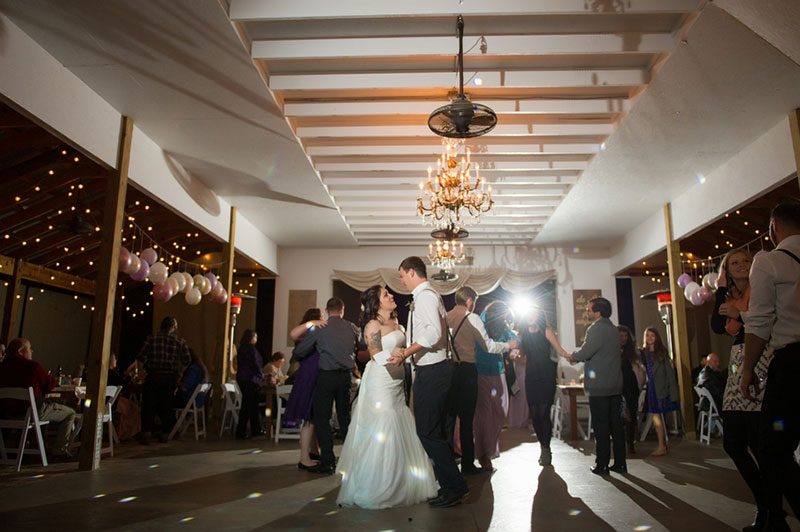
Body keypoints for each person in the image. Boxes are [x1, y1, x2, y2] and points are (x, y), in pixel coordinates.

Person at [336, 285, 437, 508]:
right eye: (386, 294)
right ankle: (377, 485)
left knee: (400, 423)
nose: (392, 296)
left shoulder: (398, 323)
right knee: (383, 427)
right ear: (377, 302)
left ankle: (401, 481)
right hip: (380, 380)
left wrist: (405, 355)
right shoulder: (373, 324)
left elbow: (406, 348)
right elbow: (374, 354)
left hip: (398, 380)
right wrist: (395, 356)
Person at [388, 256, 468, 508]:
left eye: (402, 275)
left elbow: (433, 334)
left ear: (411, 272)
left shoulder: (424, 297)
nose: (401, 280)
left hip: (433, 370)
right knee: (436, 431)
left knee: (426, 431)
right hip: (437, 369)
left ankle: (455, 486)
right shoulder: (429, 296)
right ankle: (449, 486)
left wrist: (405, 352)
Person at [742, 200, 800, 530]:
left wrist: (748, 369)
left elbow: (760, 323)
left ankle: (776, 523)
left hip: (793, 366)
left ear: (774, 224)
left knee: (772, 449)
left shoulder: (770, 262)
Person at [712, 246, 776, 532]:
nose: (740, 265)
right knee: (733, 442)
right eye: (733, 262)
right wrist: (721, 292)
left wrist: (739, 313)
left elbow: (767, 322)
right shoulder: (728, 296)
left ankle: (771, 512)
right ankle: (767, 506)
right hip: (737, 362)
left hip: (761, 356)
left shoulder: (762, 287)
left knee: (759, 443)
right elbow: (716, 324)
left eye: (745, 261)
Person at [547, 297, 626, 475]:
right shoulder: (613, 329)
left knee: (601, 426)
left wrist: (571, 356)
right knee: (616, 426)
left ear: (598, 312)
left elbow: (586, 352)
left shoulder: (596, 329)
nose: (587, 313)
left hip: (600, 387)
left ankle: (602, 464)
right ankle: (620, 463)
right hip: (615, 385)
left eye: (589, 310)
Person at [445, 286, 515, 474]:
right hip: (468, 370)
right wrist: (509, 345)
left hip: (450, 370)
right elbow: (489, 346)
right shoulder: (472, 317)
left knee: (452, 418)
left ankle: (449, 460)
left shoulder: (446, 316)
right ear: (469, 300)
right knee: (468, 419)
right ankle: (468, 464)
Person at [293, 297, 359, 475]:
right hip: (345, 378)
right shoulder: (352, 328)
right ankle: (349, 461)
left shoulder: (321, 328)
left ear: (327, 311)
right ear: (342, 310)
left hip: (326, 377)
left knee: (323, 419)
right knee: (345, 418)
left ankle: (328, 462)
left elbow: (299, 351)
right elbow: (360, 348)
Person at [0, 338, 77, 458]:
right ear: (20, 351)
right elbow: (49, 385)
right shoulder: (32, 366)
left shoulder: (2, 367)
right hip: (32, 412)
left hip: (6, 413)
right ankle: (59, 450)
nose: (32, 351)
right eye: (29, 348)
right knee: (70, 413)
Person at [473, 301, 517, 472]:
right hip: (481, 372)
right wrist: (509, 347)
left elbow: (514, 341)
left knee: (500, 412)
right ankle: (484, 455)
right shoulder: (480, 324)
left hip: (498, 372)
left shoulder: (502, 328)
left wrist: (514, 350)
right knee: (483, 416)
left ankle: (488, 450)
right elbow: (492, 346)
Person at [137, 316, 191, 444]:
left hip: (153, 375)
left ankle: (146, 434)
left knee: (149, 405)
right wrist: (180, 373)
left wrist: (141, 372)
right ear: (172, 326)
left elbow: (140, 356)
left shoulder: (152, 339)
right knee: (166, 405)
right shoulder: (179, 341)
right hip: (169, 377)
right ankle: (165, 433)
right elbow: (187, 360)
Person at [284, 308, 326, 470]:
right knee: (309, 418)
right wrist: (313, 323)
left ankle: (313, 451)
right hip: (309, 376)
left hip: (314, 375)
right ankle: (303, 458)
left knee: (313, 416)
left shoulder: (316, 333)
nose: (324, 320)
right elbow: (293, 334)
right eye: (321, 317)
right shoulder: (308, 330)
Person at [521, 311, 558, 466]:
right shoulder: (523, 333)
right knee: (535, 414)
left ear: (539, 317)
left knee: (543, 412)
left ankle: (546, 448)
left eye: (534, 313)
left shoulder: (547, 331)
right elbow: (523, 357)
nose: (530, 315)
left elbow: (558, 349)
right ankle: (542, 445)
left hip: (547, 374)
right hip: (531, 376)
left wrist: (571, 355)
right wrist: (516, 354)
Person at [639, 327, 678, 457]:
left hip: (660, 389)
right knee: (656, 417)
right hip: (651, 389)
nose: (649, 338)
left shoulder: (662, 353)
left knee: (658, 417)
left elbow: (670, 374)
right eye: (647, 335)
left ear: (657, 337)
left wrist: (673, 394)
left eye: (652, 335)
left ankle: (662, 445)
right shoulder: (643, 353)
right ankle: (662, 444)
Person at [618, 325, 645, 455]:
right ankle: (620, 442)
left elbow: (638, 370)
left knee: (631, 415)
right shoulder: (612, 350)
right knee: (618, 416)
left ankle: (630, 443)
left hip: (631, 386)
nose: (623, 338)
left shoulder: (633, 352)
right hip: (617, 386)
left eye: (625, 335)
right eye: (620, 335)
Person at [236, 329, 265, 439]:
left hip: (243, 379)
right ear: (251, 338)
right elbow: (256, 365)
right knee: (249, 406)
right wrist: (261, 377)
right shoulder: (251, 350)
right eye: (255, 337)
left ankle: (254, 429)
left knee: (251, 406)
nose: (256, 339)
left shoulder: (241, 349)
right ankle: (242, 431)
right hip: (251, 380)